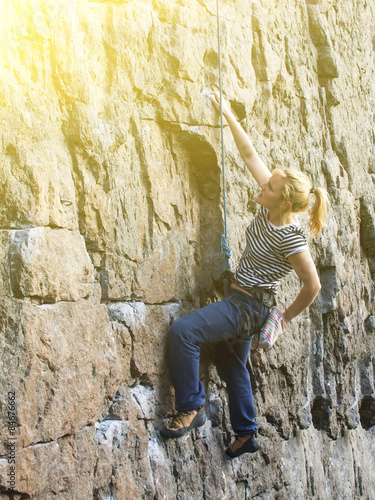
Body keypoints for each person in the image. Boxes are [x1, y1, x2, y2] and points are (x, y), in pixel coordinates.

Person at [160, 90, 329, 459]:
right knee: (228, 361)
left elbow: (312, 285)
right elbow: (250, 153)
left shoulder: (291, 237)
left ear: (283, 201)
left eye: (268, 186)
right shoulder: (274, 206)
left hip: (248, 308)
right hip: (245, 303)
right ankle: (245, 434)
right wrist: (227, 114)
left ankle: (190, 408)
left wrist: (282, 319)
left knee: (183, 332)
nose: (262, 185)